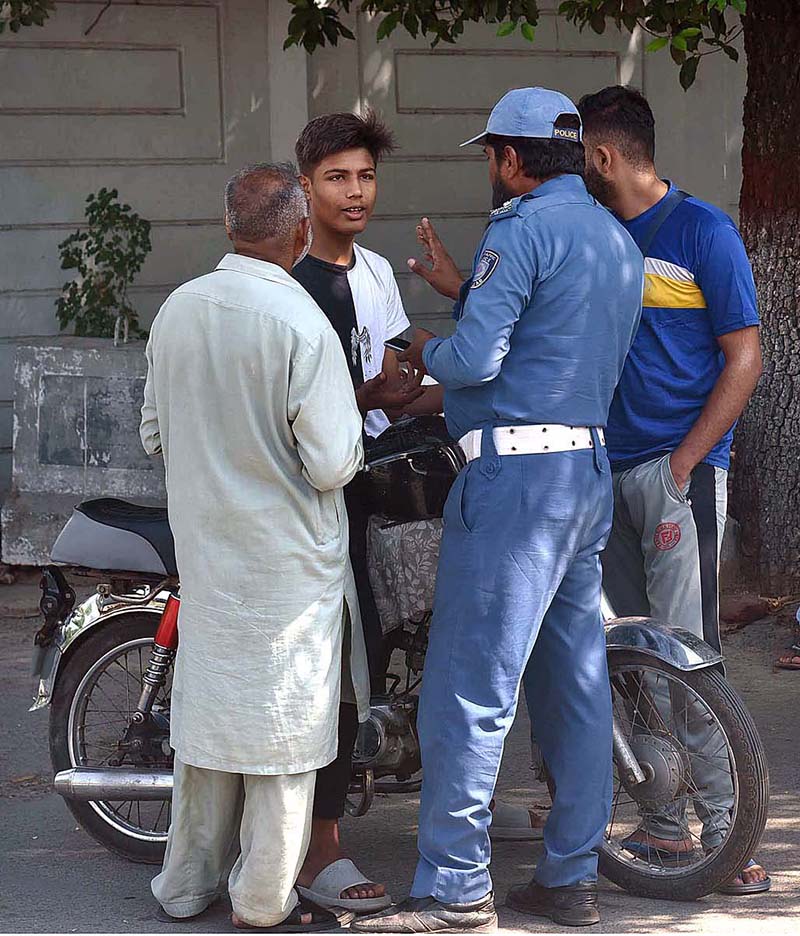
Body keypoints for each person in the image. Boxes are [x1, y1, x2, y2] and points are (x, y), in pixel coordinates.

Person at [352, 87, 644, 933]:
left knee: (468, 688)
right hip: (586, 472)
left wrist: (418, 349)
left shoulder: (520, 228)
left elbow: (477, 357)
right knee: (574, 685)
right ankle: (569, 877)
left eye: (491, 155)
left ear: (511, 160)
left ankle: (453, 886)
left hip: (516, 481)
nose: (492, 169)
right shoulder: (615, 238)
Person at [140, 163, 367, 931]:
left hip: (207, 557)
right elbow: (334, 460)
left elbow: (153, 434)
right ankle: (264, 901)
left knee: (208, 732)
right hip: (287, 569)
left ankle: (182, 886)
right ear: (302, 232)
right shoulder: (300, 321)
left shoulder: (178, 310)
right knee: (284, 735)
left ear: (229, 228)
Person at [578, 85, 768, 896]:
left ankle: (727, 836)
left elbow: (745, 357)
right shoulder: (592, 233)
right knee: (625, 658)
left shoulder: (702, 232)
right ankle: (663, 829)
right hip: (598, 472)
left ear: (603, 155)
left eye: (577, 152)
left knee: (689, 660)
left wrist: (688, 464)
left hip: (673, 475)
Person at [289, 110, 423, 915]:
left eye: (365, 176)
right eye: (337, 176)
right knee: (343, 672)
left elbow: (405, 352)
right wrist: (368, 397)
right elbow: (292, 404)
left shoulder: (374, 269)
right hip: (315, 498)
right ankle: (321, 848)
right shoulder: (290, 280)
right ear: (305, 185)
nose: (355, 191)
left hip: (375, 482)